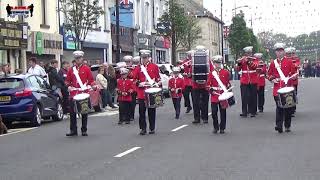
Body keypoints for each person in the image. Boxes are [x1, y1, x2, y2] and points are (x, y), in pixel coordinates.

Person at [267, 43, 297, 133]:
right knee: (279, 107)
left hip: (287, 87)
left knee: (288, 108)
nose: (279, 52)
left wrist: (293, 77)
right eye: (277, 51)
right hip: (277, 89)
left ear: (283, 51)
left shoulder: (289, 62)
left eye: (281, 51)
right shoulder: (273, 63)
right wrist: (272, 79)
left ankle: (287, 125)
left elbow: (294, 73)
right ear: (275, 52)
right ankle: (279, 125)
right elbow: (269, 74)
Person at [65, 51, 95, 137]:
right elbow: (67, 81)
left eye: (80, 58)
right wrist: (69, 86)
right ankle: (73, 130)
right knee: (72, 113)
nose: (78, 60)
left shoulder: (86, 69)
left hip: (83, 92)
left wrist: (94, 86)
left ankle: (84, 130)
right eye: (76, 58)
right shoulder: (71, 69)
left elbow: (91, 80)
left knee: (84, 112)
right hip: (74, 93)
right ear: (75, 59)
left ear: (82, 59)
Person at [133, 50, 161, 135]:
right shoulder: (138, 68)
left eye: (145, 58)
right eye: (143, 58)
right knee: (142, 112)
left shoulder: (154, 66)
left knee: (151, 111)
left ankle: (152, 128)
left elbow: (158, 79)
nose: (144, 59)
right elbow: (134, 80)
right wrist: (139, 83)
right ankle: (143, 129)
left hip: (151, 92)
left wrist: (157, 83)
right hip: (142, 93)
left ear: (149, 58)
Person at [207, 55, 231, 134]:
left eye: (219, 63)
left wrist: (228, 89)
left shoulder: (225, 72)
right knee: (214, 112)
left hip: (223, 95)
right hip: (214, 95)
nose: (218, 64)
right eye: (216, 63)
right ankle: (215, 127)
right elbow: (208, 85)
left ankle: (222, 128)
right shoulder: (211, 73)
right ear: (214, 64)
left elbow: (228, 83)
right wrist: (210, 89)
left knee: (222, 112)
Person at [191, 46, 213, 124]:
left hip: (199, 85)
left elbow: (210, 72)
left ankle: (199, 118)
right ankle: (203, 118)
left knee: (198, 102)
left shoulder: (194, 61)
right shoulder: (207, 61)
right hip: (199, 85)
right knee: (202, 102)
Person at [236, 46, 259, 118]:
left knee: (253, 96)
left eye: (249, 53)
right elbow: (237, 69)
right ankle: (244, 112)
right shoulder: (242, 59)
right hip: (244, 80)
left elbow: (255, 66)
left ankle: (253, 111)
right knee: (244, 96)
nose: (248, 54)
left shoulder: (255, 59)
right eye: (247, 53)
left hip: (253, 80)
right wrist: (239, 63)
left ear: (251, 53)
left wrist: (248, 62)